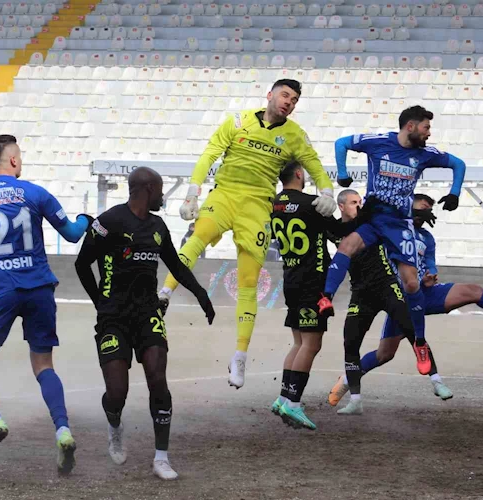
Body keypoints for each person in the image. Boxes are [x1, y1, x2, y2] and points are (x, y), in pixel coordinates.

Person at [157, 79, 336, 390]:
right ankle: (163, 297)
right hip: (224, 195)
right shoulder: (237, 121)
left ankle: (239, 355)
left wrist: (328, 192)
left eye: (293, 100)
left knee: (249, 282)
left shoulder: (294, 135)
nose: (288, 102)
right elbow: (209, 155)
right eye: (284, 95)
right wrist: (192, 193)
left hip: (257, 206)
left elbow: (316, 167)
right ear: (269, 95)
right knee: (195, 241)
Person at [0, 135, 90, 475]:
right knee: (44, 366)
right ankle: (63, 430)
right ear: (13, 161)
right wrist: (87, 219)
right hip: (40, 289)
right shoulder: (34, 193)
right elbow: (73, 233)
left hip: (2, 291)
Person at [75, 166, 215, 480]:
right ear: (148, 188)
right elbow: (82, 264)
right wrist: (100, 301)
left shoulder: (158, 226)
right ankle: (114, 425)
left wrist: (201, 294)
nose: (163, 197)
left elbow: (176, 266)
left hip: (148, 314)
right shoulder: (108, 222)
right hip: (113, 320)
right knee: (117, 392)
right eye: (161, 190)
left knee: (156, 377)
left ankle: (161, 458)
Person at [331, 194, 483, 410]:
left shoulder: (427, 237)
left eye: (428, 209)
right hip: (399, 297)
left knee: (473, 290)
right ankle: (347, 378)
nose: (426, 212)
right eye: (422, 207)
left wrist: (430, 276)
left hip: (426, 293)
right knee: (385, 354)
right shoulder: (388, 230)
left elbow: (431, 265)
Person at [321, 106, 467, 375]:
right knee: (346, 246)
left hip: (400, 225)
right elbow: (341, 143)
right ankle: (326, 297)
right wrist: (342, 173)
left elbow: (459, 164)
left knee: (411, 283)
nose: (429, 133)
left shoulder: (424, 155)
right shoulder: (378, 143)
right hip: (374, 218)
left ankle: (419, 345)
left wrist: (454, 193)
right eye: (426, 127)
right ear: (410, 126)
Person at [269, 162, 359, 430]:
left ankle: (284, 397)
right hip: (311, 281)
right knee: (311, 343)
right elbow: (338, 234)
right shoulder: (312, 203)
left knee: (298, 342)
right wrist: (353, 216)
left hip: (291, 277)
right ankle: (293, 404)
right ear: (299, 174)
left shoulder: (274, 204)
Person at [324, 189, 419, 415]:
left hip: (386, 286)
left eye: (360, 201)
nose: (359, 205)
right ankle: (354, 396)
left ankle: (436, 377)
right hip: (360, 292)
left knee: (404, 336)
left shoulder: (370, 221)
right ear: (341, 206)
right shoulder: (334, 229)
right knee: (354, 342)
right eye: (353, 202)